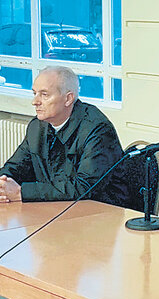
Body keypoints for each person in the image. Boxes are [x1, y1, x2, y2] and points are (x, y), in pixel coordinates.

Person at [0, 66, 127, 206]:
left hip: (100, 214)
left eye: (44, 95)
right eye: (34, 93)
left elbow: (84, 188)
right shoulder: (37, 126)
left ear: (68, 99)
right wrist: (3, 185)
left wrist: (20, 192)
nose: (35, 101)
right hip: (55, 209)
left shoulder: (97, 129)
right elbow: (15, 167)